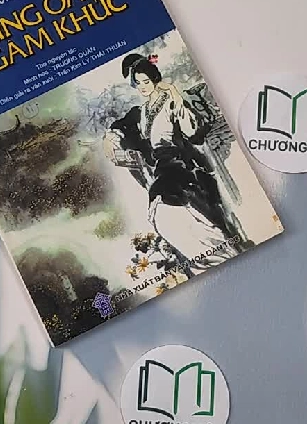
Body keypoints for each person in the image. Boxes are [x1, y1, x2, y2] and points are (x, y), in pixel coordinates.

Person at [103, 53, 245, 274]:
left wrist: (176, 97)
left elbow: (194, 133)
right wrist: (110, 138)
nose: (142, 87)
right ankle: (205, 258)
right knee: (160, 211)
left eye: (146, 81)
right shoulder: (141, 112)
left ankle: (219, 252)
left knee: (168, 203)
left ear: (155, 79)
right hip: (162, 167)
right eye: (138, 83)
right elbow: (122, 127)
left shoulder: (171, 101)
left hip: (181, 163)